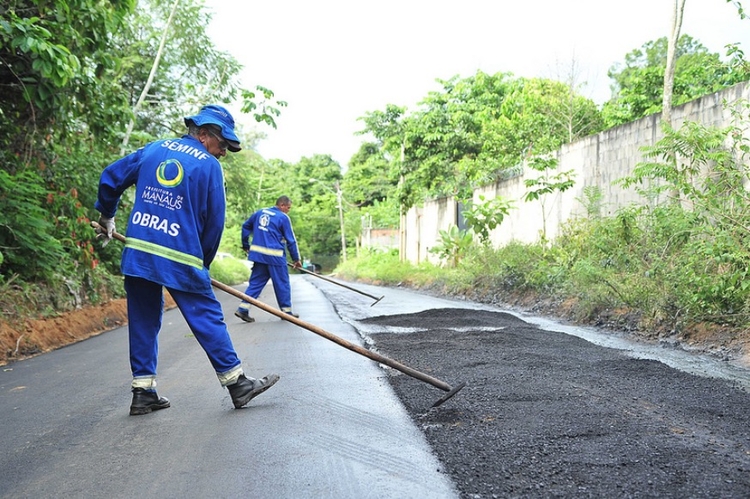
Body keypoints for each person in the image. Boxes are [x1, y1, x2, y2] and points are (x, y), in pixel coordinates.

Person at [94, 104, 279, 415]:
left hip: (139, 250)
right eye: (222, 145)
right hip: (180, 254)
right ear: (204, 135)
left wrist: (107, 216)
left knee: (143, 319)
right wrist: (203, 263)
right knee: (206, 314)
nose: (223, 153)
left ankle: (143, 392)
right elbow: (214, 223)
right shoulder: (208, 166)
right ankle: (238, 384)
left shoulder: (153, 150)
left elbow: (111, 178)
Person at [235, 196, 302, 322]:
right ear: (282, 205)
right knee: (282, 284)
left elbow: (245, 226)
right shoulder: (283, 217)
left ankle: (243, 309)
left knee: (255, 284)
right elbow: (291, 240)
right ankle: (286, 312)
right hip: (275, 257)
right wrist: (296, 259)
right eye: (288, 208)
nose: (288, 210)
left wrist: (246, 245)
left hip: (259, 257)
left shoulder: (260, 212)